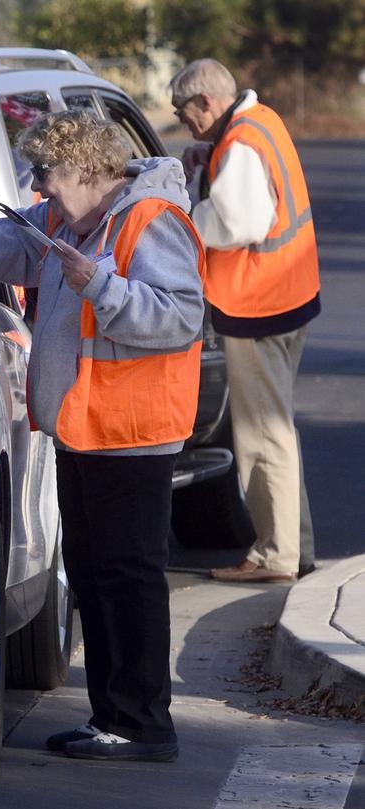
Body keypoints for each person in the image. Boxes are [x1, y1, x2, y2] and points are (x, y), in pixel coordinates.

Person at [0, 109, 204, 763]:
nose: (40, 188)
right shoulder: (69, 220)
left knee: (128, 577)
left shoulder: (150, 220)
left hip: (131, 430)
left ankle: (143, 724)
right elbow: (11, 243)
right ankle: (112, 716)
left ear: (86, 169)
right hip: (86, 428)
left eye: (47, 173)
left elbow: (181, 318)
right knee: (92, 574)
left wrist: (102, 286)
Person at [169, 59, 320, 583]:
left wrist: (181, 219)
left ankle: (276, 555)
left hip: (257, 304)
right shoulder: (260, 124)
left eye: (182, 113)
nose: (182, 123)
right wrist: (208, 163)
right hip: (286, 295)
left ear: (206, 103)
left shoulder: (240, 144)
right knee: (275, 430)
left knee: (261, 435)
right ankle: (290, 548)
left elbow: (239, 221)